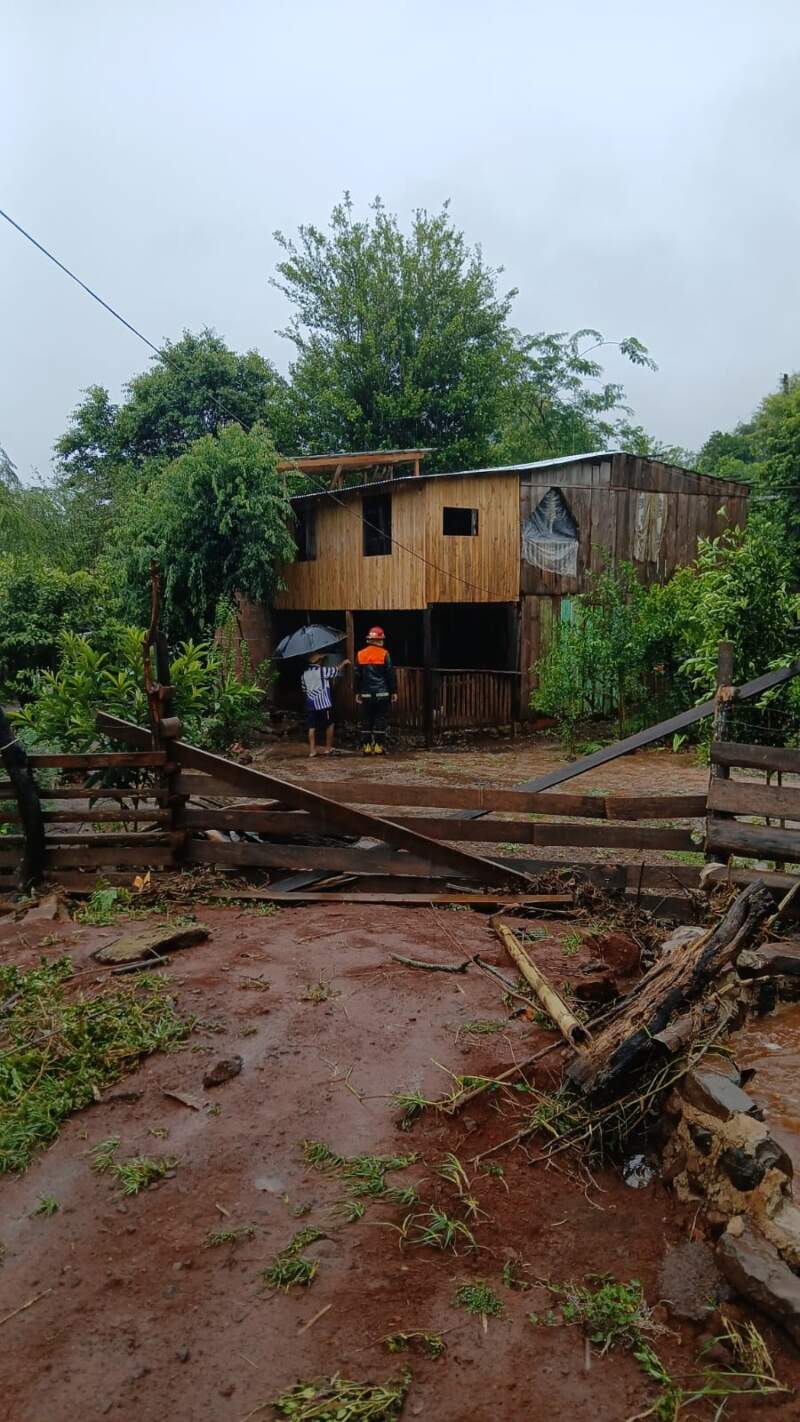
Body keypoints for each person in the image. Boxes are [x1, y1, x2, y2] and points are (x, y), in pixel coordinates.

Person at [355, 626, 397, 754]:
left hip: (366, 693)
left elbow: (357, 675)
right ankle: (378, 746)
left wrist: (357, 692)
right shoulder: (385, 654)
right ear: (379, 640)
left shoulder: (360, 654)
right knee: (380, 718)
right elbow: (390, 674)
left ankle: (366, 747)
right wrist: (393, 691)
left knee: (366, 718)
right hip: (382, 693)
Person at [301, 652, 348, 758]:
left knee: (311, 727)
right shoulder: (322, 671)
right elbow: (335, 670)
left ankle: (312, 751)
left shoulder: (304, 675)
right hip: (323, 704)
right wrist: (344, 663)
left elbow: (304, 689)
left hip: (310, 704)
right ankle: (328, 748)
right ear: (319, 661)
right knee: (329, 724)